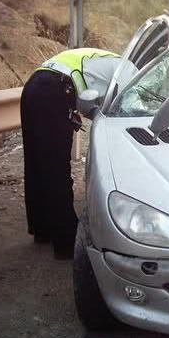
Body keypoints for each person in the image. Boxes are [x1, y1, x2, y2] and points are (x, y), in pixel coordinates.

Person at [21, 48, 121, 259]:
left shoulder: (112, 59)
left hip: (35, 85)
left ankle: (42, 229)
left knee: (37, 162)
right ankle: (66, 243)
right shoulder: (128, 71)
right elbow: (114, 113)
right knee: (57, 169)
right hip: (56, 89)